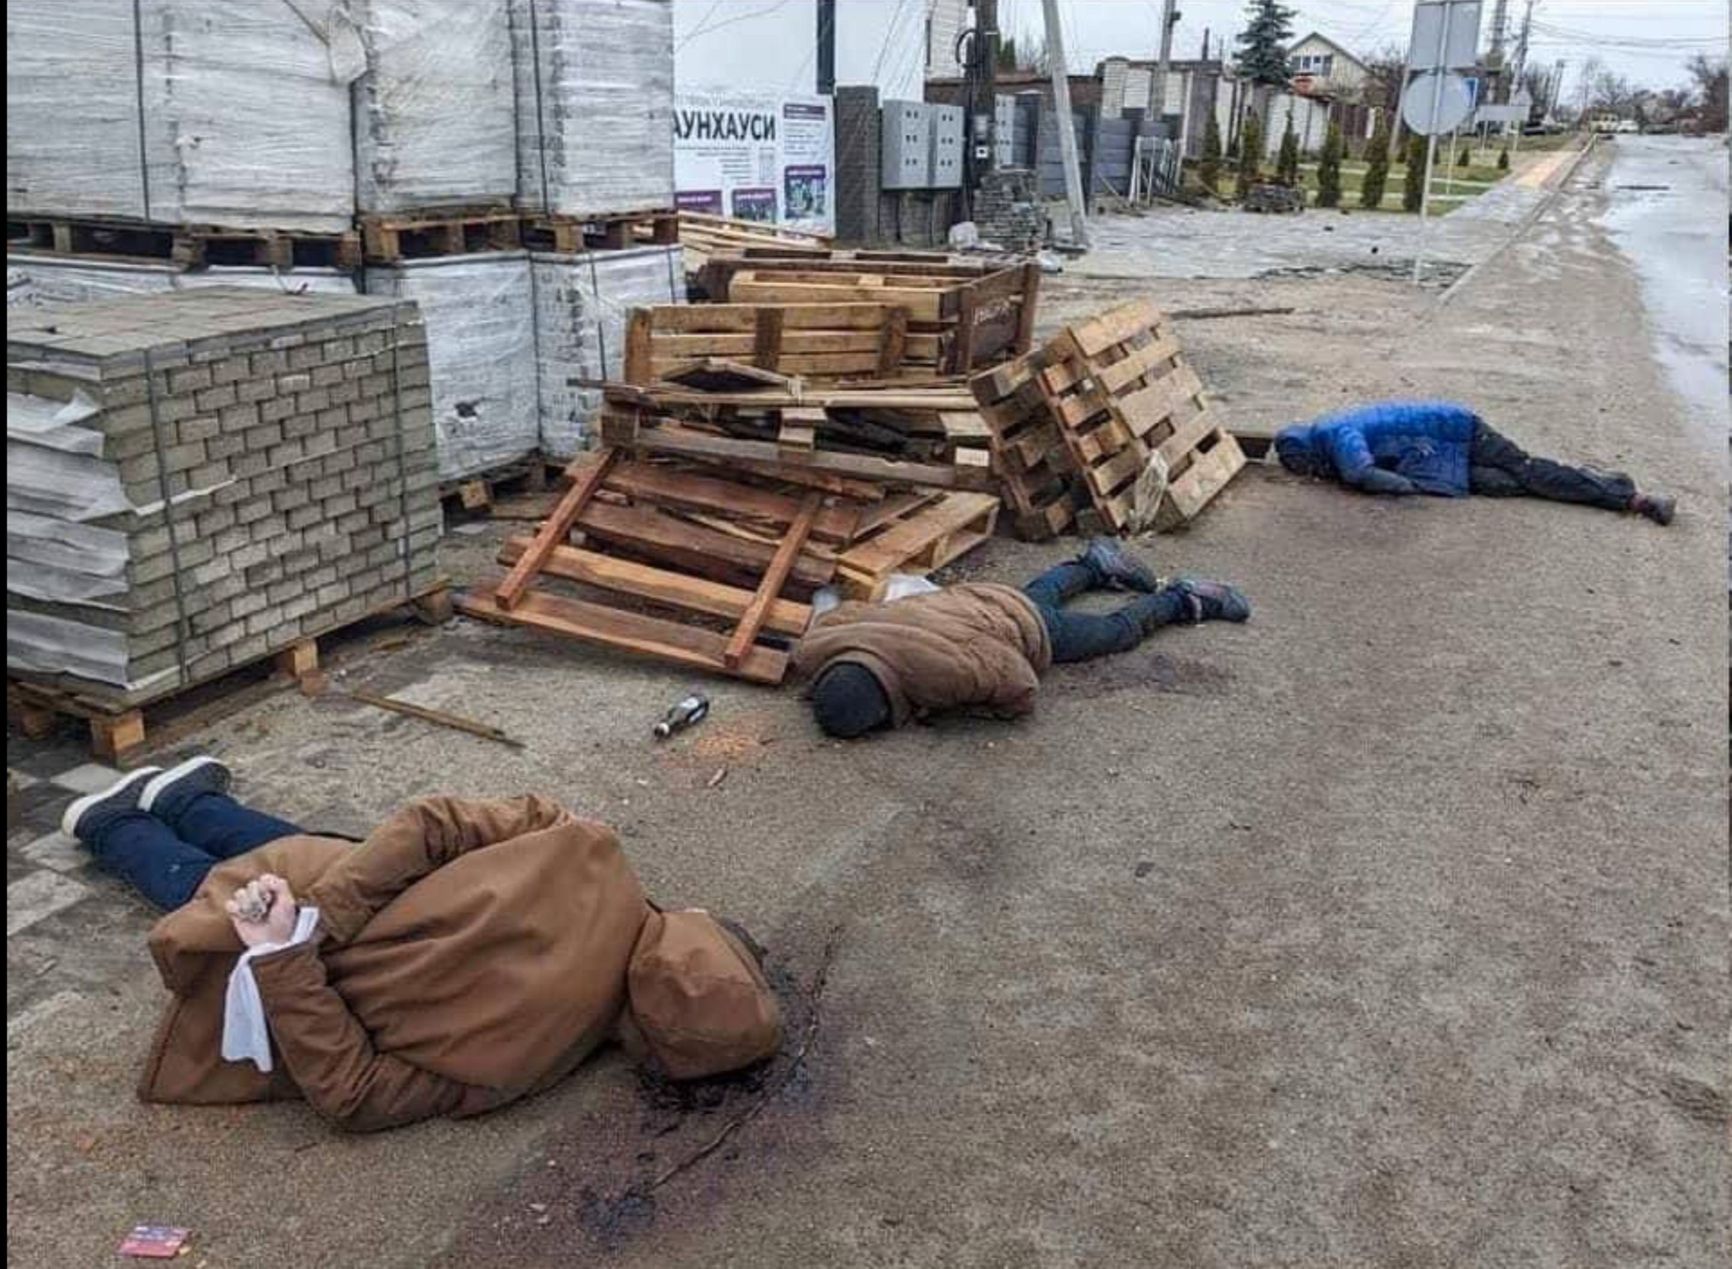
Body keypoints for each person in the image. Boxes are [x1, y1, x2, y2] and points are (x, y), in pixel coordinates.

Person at [62, 757, 782, 1131]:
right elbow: (355, 1095)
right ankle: (137, 816)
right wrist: (287, 949)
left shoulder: (591, 848)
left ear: (698, 924)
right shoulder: (532, 1065)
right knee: (242, 896)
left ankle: (142, 814)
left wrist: (314, 922)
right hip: (285, 983)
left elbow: (432, 824)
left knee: (291, 867)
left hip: (295, 929)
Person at [791, 538, 1250, 739]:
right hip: (973, 598)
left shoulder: (942, 675)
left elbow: (1020, 685)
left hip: (1029, 629)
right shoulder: (819, 645)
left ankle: (1183, 598)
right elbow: (839, 611)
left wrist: (967, 711)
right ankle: (1093, 564)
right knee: (1036, 594)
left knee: (1117, 632)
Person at [1272, 400, 1676, 523]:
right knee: (1500, 485)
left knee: (1528, 472)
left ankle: (1631, 498)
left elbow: (1360, 471)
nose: (1307, 472)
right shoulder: (1328, 430)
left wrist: (1406, 489)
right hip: (1434, 450)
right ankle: (1593, 483)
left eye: (1302, 465)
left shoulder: (1335, 433)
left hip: (1460, 432)